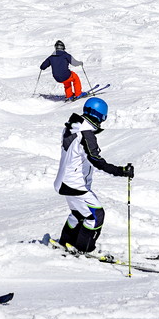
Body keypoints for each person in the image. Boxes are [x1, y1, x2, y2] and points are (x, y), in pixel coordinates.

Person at [53, 98, 133, 253]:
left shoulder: (72, 126)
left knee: (78, 214)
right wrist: (121, 171)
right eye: (103, 118)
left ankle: (66, 241)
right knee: (96, 216)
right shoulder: (86, 134)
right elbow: (96, 160)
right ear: (99, 116)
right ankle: (85, 248)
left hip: (64, 182)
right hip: (75, 185)